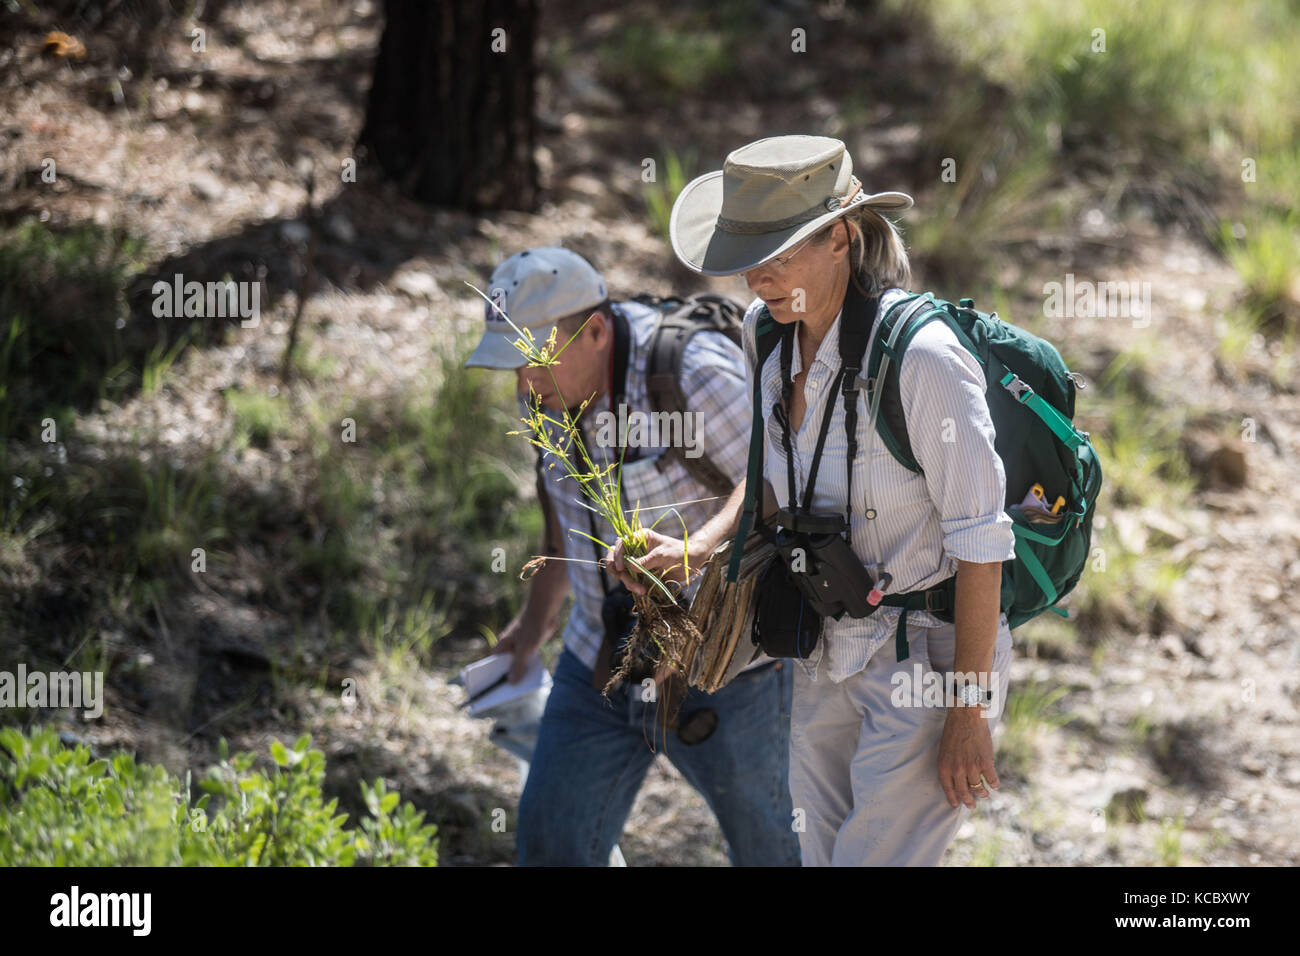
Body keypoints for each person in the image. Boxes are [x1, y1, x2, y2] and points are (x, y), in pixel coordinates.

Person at [607, 135, 1017, 866]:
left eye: (779, 251)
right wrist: (695, 550)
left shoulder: (923, 360)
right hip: (823, 646)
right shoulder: (764, 335)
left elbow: (982, 546)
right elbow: (769, 479)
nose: (758, 276)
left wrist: (968, 710)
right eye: (745, 254)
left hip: (927, 654)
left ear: (840, 237)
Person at [465, 246, 801, 866]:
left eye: (535, 361)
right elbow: (566, 515)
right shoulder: (544, 390)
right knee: (552, 845)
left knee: (773, 848)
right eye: (513, 367)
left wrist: (698, 553)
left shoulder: (692, 373)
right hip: (599, 656)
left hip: (725, 668)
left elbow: (776, 477)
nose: (524, 384)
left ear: (595, 331)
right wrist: (534, 623)